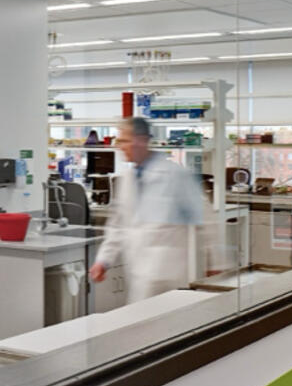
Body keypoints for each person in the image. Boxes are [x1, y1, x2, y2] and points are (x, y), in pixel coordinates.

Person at [89, 117, 208, 302]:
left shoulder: (175, 174)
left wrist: (218, 263)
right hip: (139, 270)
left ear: (142, 140)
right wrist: (103, 261)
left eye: (124, 141)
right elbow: (118, 225)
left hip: (170, 274)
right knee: (142, 325)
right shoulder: (128, 179)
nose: (120, 147)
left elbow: (205, 218)